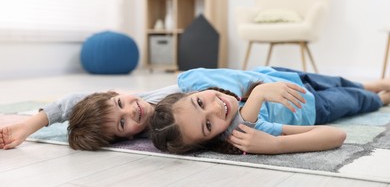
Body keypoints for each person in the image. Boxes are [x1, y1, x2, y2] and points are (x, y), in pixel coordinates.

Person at [149, 67, 390, 154]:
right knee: (361, 100)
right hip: (315, 107)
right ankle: (380, 97)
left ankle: (373, 84)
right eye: (208, 125)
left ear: (190, 93)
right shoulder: (244, 132)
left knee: (341, 81)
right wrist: (277, 145)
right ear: (210, 140)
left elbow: (153, 98)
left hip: (283, 75)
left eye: (200, 103)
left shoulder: (193, 79)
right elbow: (336, 136)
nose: (216, 108)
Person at [0, 85, 180, 151]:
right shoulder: (162, 130)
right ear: (128, 138)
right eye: (122, 123)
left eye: (119, 103)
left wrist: (28, 125)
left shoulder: (149, 98)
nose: (130, 111)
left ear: (115, 94)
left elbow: (72, 101)